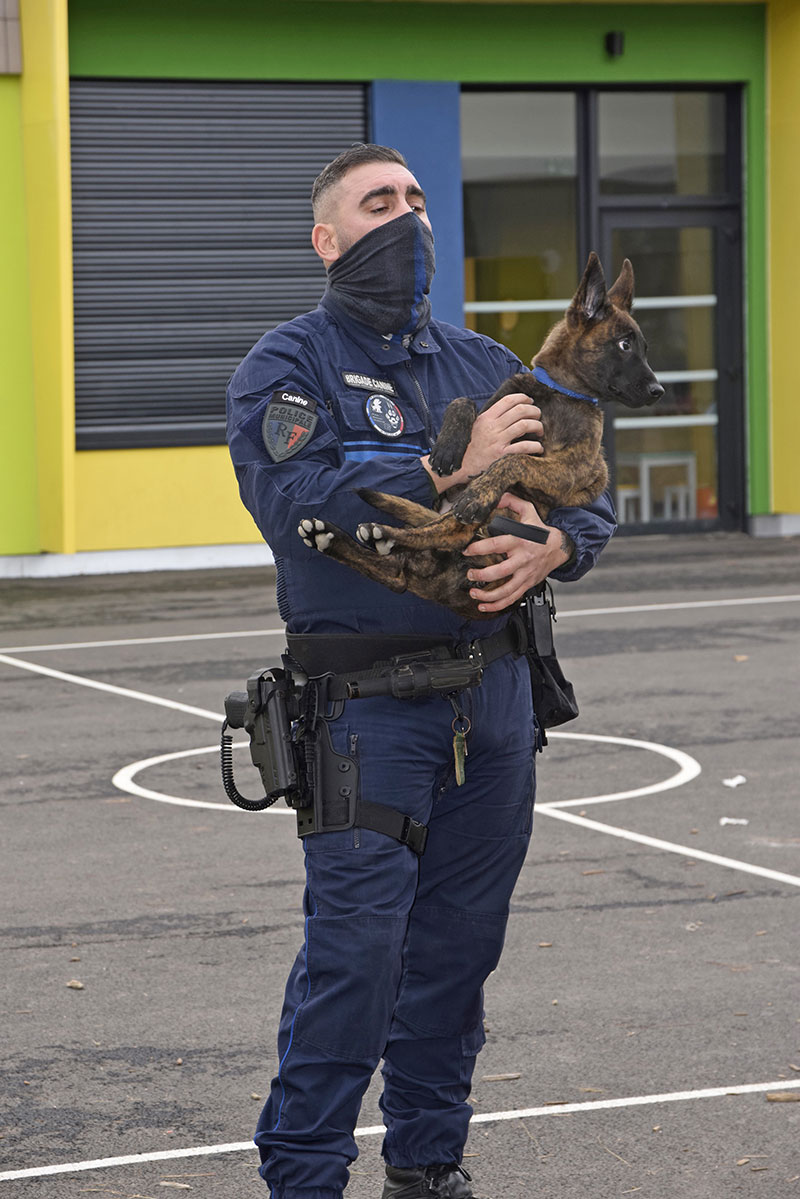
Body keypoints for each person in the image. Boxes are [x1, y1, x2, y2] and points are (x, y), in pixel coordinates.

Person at [226, 144, 616, 1199]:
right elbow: (291, 501)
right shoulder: (286, 365)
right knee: (356, 958)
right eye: (376, 203)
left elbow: (582, 489)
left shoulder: (482, 361)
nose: (404, 218)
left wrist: (557, 547)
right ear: (327, 237)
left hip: (492, 703)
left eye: (413, 200)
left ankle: (427, 1163)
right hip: (362, 712)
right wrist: (448, 463)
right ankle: (304, 1174)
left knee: (456, 953)